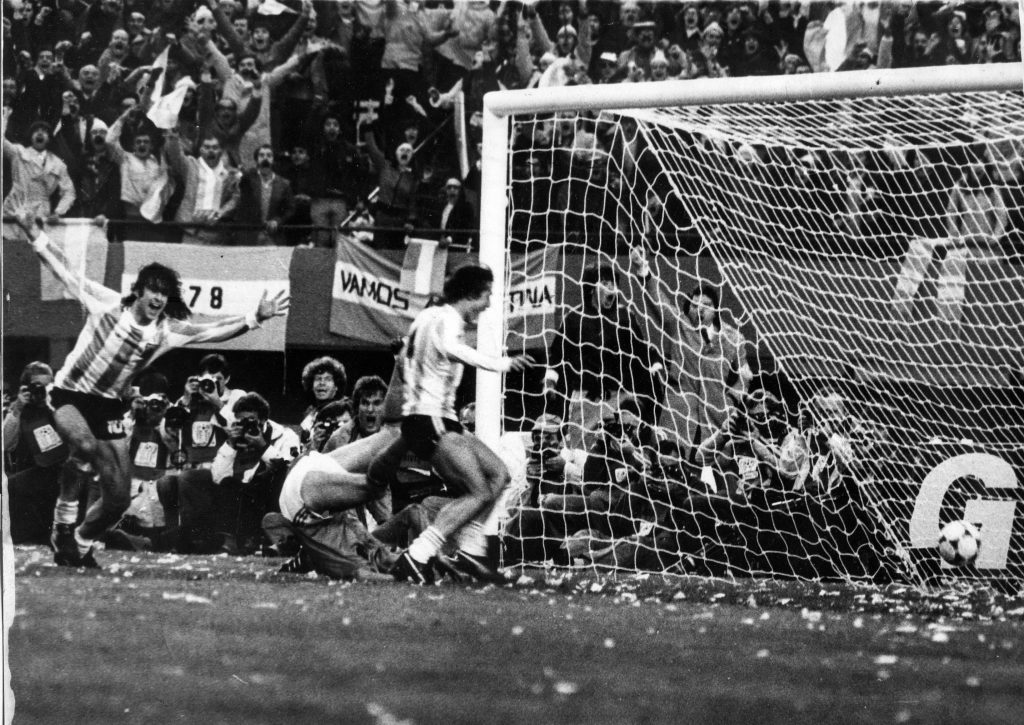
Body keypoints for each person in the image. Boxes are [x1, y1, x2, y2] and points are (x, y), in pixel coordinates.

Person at [10, 207, 290, 568]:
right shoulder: (106, 303)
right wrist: (32, 230)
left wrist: (255, 317)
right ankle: (62, 524)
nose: (157, 299)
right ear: (138, 291)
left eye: (163, 294)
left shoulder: (164, 331)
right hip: (70, 395)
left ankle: (79, 541)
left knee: (118, 499)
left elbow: (209, 330)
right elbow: (65, 270)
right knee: (80, 445)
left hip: (109, 406)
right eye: (152, 292)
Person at [391, 264, 534, 584]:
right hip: (430, 419)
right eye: (486, 296)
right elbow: (456, 351)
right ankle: (416, 555)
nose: (486, 305)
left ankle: (469, 550)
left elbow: (405, 361)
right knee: (479, 490)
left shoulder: (426, 317)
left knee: (498, 474)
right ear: (471, 294)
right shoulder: (449, 318)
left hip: (438, 419)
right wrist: (503, 363)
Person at [2, 362, 76, 545]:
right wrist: (17, 408)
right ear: (26, 387)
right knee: (11, 487)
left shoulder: (62, 406)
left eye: (48, 386)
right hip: (30, 473)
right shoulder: (17, 409)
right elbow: (6, 443)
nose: (42, 391)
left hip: (62, 472)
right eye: (37, 386)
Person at [234, 144, 295, 246]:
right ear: (257, 159)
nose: (265, 158)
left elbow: (290, 209)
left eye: (269, 155)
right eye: (261, 155)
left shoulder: (284, 184)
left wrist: (277, 221)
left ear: (273, 160)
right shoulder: (248, 180)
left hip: (273, 237)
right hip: (250, 236)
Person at [297, 356, 348, 443]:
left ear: (336, 387)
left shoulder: (345, 412)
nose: (322, 383)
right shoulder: (310, 414)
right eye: (318, 379)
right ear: (311, 386)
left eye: (328, 379)